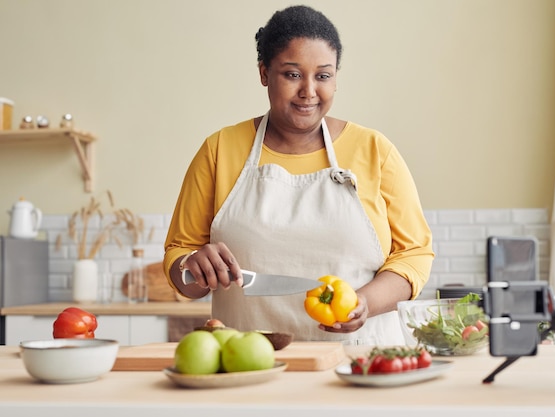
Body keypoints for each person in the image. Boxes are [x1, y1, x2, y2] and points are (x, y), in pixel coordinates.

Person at [163, 5, 434, 345]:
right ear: (264, 73)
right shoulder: (220, 150)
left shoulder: (373, 150)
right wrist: (194, 266)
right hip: (249, 367)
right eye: (292, 74)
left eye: (323, 76)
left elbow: (414, 254)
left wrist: (365, 302)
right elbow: (180, 258)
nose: (308, 91)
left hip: (361, 366)